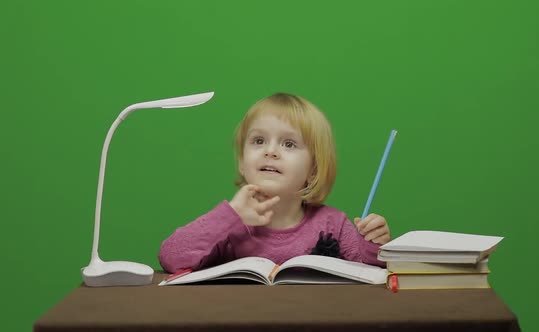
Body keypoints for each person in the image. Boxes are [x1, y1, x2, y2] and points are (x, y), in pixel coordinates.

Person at [159, 93, 391, 273]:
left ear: (314, 168)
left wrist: (374, 242)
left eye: (289, 144)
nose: (270, 151)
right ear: (242, 161)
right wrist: (229, 216)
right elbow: (171, 256)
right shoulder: (229, 226)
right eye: (258, 141)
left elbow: (369, 271)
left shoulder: (334, 225)